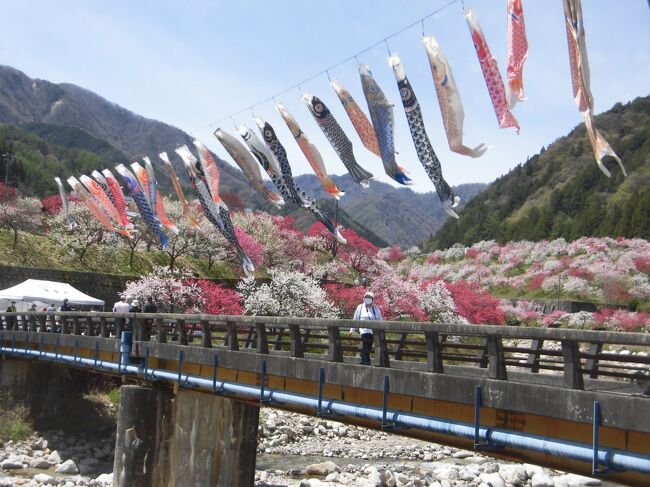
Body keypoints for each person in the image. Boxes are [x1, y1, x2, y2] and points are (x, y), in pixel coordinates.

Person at [350, 291, 382, 365]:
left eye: (370, 298)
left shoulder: (375, 308)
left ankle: (362, 361)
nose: (368, 299)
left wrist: (380, 329)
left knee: (368, 346)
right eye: (366, 297)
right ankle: (367, 361)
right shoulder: (360, 307)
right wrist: (352, 329)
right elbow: (356, 318)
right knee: (366, 344)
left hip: (373, 331)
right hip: (363, 330)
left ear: (373, 299)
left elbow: (380, 319)